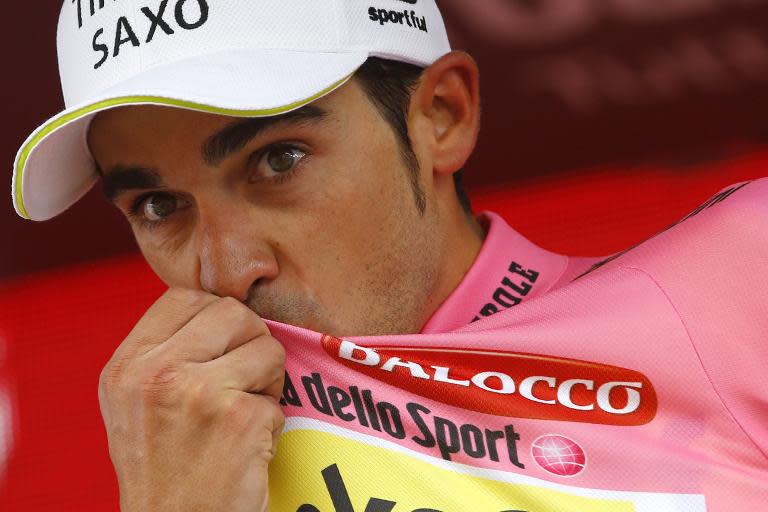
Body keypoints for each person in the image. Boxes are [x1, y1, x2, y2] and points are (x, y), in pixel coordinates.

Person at [12, 1, 767, 511]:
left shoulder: (730, 276)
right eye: (157, 206)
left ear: (443, 115)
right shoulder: (192, 461)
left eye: (278, 161)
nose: (225, 269)